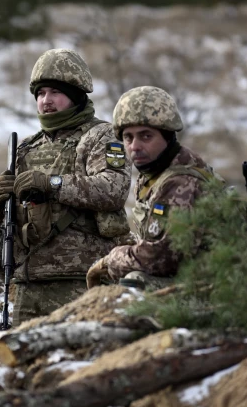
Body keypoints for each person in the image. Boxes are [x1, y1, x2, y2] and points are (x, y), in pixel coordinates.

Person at [0, 49, 132, 326]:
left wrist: (52, 184)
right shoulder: (27, 146)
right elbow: (6, 213)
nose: (46, 101)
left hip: (83, 278)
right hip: (30, 278)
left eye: (54, 92)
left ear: (75, 95)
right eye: (40, 94)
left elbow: (113, 189)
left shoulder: (101, 136)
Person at [86, 85, 221, 290]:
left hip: (212, 288)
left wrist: (111, 260)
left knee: (134, 282)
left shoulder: (180, 182)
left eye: (146, 136)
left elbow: (158, 258)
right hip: (198, 279)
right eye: (128, 137)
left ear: (167, 136)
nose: (134, 146)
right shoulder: (155, 174)